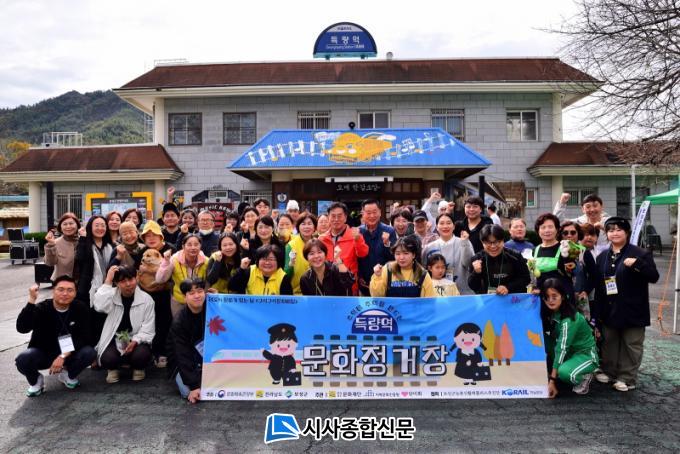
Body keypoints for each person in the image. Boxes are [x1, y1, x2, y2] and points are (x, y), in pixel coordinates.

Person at [592, 217, 659, 392]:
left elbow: (654, 276)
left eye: (619, 229)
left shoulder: (640, 253)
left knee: (632, 344)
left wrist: (638, 264)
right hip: (609, 308)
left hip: (633, 309)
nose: (615, 233)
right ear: (606, 234)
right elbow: (599, 286)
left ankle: (627, 378)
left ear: (627, 232)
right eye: (611, 230)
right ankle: (609, 371)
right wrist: (597, 313)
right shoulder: (602, 257)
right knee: (609, 342)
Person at [15, 277, 96, 396]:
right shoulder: (42, 308)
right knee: (23, 359)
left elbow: (86, 337)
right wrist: (31, 301)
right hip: (44, 352)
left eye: (70, 290)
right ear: (53, 291)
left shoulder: (80, 308)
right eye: (61, 289)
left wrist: (62, 356)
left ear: (75, 293)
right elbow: (22, 328)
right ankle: (36, 381)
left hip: (69, 353)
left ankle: (68, 375)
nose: (65, 293)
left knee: (89, 352)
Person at [94, 265, 155, 383]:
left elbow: (148, 329)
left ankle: (138, 368)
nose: (128, 284)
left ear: (136, 278)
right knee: (108, 358)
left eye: (131, 279)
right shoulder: (110, 295)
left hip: (136, 339)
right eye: (122, 281)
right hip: (114, 339)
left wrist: (135, 341)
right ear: (116, 283)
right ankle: (113, 369)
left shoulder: (147, 299)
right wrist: (108, 281)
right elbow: (99, 306)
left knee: (141, 356)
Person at [542, 278, 599, 398]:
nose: (550, 300)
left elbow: (561, 348)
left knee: (565, 373)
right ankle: (564, 367)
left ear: (562, 296)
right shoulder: (553, 311)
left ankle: (585, 375)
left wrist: (552, 380)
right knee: (540, 339)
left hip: (584, 355)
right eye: (547, 297)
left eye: (554, 296)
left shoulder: (569, 319)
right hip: (569, 353)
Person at [137, 220, 176, 368]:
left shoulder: (170, 249)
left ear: (161, 236)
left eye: (154, 235)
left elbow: (173, 270)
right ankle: (149, 352)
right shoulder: (142, 252)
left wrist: (150, 271)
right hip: (146, 294)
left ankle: (163, 352)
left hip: (165, 293)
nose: (151, 238)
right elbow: (137, 269)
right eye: (147, 236)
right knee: (148, 323)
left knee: (165, 322)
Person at [74, 215, 114, 346]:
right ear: (90, 227)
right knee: (88, 322)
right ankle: (89, 350)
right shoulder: (85, 243)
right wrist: (83, 238)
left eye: (103, 225)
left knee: (102, 321)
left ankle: (102, 348)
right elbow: (79, 259)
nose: (100, 228)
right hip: (87, 290)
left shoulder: (110, 246)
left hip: (106, 289)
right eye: (96, 225)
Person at [167, 278, 206, 403]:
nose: (197, 296)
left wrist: (218, 298)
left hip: (206, 357)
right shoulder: (179, 322)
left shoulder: (212, 309)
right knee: (188, 392)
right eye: (191, 293)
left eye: (200, 291)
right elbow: (181, 354)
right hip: (183, 360)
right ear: (185, 297)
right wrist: (193, 386)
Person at [320, 202, 369, 295]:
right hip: (327, 286)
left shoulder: (354, 235)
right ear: (328, 217)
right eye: (333, 216)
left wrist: (358, 240)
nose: (336, 219)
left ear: (345, 217)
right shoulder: (322, 239)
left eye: (339, 216)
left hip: (349, 286)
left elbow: (363, 254)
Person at [156, 234, 209, 317]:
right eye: (189, 245)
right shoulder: (174, 259)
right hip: (179, 300)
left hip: (198, 301)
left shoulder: (206, 261)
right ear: (183, 246)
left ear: (200, 246)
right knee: (179, 323)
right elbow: (160, 280)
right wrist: (166, 262)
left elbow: (208, 282)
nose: (193, 248)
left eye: (196, 244)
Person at [468, 225, 530, 295]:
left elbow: (526, 278)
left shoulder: (515, 256)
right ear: (482, 243)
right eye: (488, 242)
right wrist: (476, 273)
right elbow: (473, 286)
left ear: (503, 241)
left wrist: (508, 287)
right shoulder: (476, 259)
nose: (493, 246)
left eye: (497, 242)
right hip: (486, 299)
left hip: (511, 298)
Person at [422, 213, 474, 294]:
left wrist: (465, 243)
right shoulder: (429, 247)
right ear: (437, 227)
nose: (445, 226)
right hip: (437, 294)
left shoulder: (464, 242)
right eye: (442, 223)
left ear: (454, 226)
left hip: (463, 292)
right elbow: (425, 271)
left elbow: (468, 264)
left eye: (448, 223)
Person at [370, 236, 435, 297]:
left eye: (406, 253)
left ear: (413, 255)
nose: (401, 257)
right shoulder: (387, 269)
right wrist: (378, 276)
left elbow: (429, 300)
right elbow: (377, 296)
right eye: (397, 254)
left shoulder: (423, 274)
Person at [357, 199, 396, 296]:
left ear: (380, 212)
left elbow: (394, 257)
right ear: (363, 214)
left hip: (384, 281)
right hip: (363, 282)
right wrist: (359, 275)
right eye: (368, 213)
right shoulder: (358, 232)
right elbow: (355, 257)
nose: (372, 216)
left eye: (375, 212)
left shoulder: (389, 231)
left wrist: (387, 243)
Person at [228, 244, 294, 295]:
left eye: (271, 259)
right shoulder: (250, 271)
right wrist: (241, 269)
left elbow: (288, 302)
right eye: (264, 259)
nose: (267, 263)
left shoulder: (283, 277)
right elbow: (232, 287)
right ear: (257, 261)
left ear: (278, 262)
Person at [285, 213, 317, 295]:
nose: (306, 227)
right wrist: (291, 264)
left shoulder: (318, 243)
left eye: (309, 224)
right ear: (298, 227)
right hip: (296, 293)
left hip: (316, 293)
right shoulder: (291, 246)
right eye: (303, 224)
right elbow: (286, 275)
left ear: (314, 227)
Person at [44, 212, 80, 280]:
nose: (68, 226)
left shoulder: (83, 241)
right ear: (60, 227)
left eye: (71, 223)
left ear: (77, 225)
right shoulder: (55, 242)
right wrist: (51, 245)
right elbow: (50, 263)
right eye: (65, 224)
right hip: (61, 282)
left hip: (82, 283)